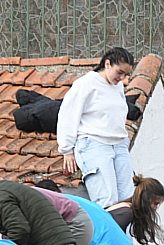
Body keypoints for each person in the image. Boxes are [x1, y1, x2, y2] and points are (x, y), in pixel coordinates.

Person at [58, 47, 136, 207]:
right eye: (120, 72)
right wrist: (67, 150)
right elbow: (68, 115)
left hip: (119, 144)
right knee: (107, 199)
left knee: (128, 199)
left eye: (126, 74)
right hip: (94, 143)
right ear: (107, 64)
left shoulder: (117, 86)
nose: (122, 78)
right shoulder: (86, 84)